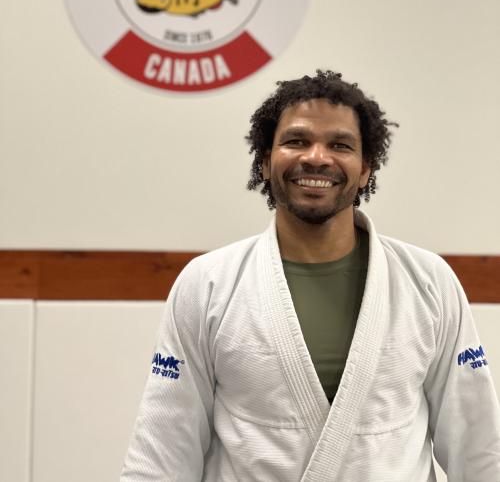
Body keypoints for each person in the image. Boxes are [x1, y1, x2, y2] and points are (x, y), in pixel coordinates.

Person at [121, 70, 500, 481]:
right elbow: (162, 452)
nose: (317, 157)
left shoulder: (427, 281)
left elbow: (478, 446)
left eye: (340, 145)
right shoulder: (208, 283)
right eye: (296, 141)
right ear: (265, 161)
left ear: (365, 169)